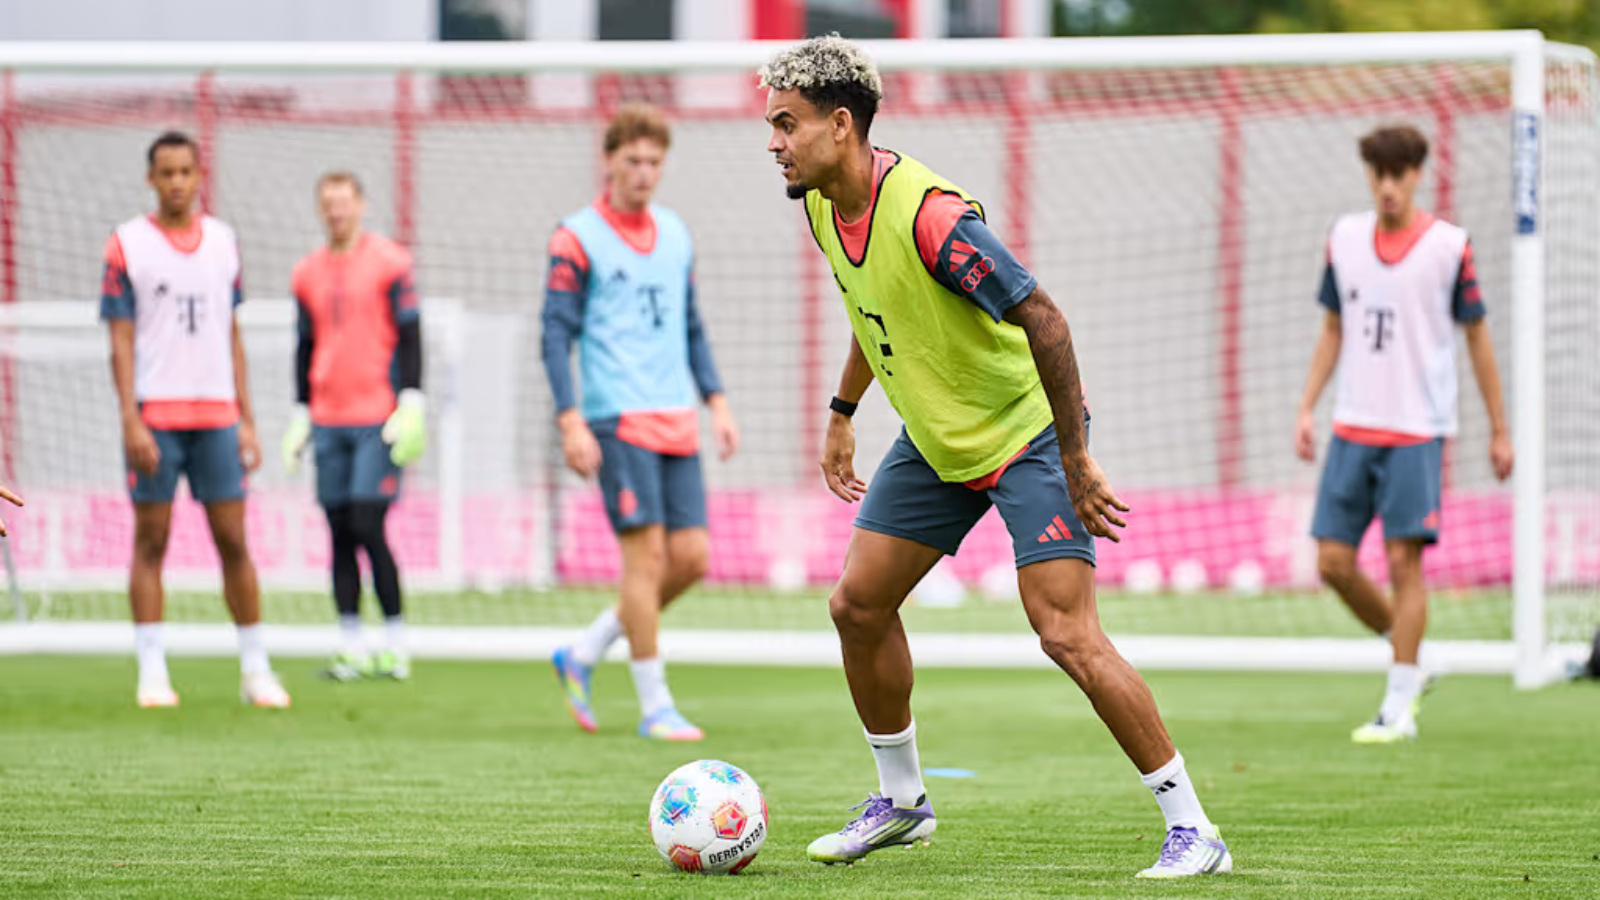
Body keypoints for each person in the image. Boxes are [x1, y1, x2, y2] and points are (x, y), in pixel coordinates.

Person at [759, 36, 1229, 878]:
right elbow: (876, 306)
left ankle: (1195, 829)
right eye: (771, 127)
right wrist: (842, 411)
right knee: (856, 606)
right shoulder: (822, 202)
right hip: (937, 443)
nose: (774, 143)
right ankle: (903, 803)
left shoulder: (934, 215)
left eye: (786, 124)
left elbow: (1044, 318)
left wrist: (1077, 457)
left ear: (840, 125)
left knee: (1065, 633)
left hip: (1025, 435)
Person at [1295, 124, 1513, 743]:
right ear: (1369, 175)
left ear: (1419, 174)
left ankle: (1398, 706)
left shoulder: (1451, 247)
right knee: (1334, 563)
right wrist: (1307, 407)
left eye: (1401, 173)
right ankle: (1413, 654)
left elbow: (1477, 337)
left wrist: (1499, 429)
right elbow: (1334, 328)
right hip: (1352, 426)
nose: (1389, 186)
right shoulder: (1344, 239)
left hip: (1418, 430)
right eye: (1379, 174)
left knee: (1402, 561)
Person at [544, 103, 740, 742]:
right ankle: (656, 704)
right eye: (632, 160)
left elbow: (691, 326)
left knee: (691, 557)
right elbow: (554, 333)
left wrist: (716, 402)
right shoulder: (575, 236)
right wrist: (569, 418)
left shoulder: (676, 234)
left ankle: (586, 648)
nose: (643, 172)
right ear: (609, 161)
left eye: (654, 161)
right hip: (615, 418)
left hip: (676, 416)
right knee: (646, 557)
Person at [101, 131, 290, 709]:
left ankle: (256, 668)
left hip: (217, 416)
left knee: (233, 539)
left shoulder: (224, 243)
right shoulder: (126, 245)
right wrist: (131, 419)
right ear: (150, 179)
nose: (177, 182)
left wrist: (249, 421)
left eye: (186, 171)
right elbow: (122, 339)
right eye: (166, 172)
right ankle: (152, 670)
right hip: (156, 415)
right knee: (151, 540)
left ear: (199, 174)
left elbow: (230, 333)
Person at [282, 172, 426, 682]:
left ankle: (395, 642)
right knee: (339, 530)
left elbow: (410, 334)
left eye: (345, 202)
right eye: (328, 204)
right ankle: (351, 645)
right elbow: (304, 345)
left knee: (369, 523)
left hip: (378, 419)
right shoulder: (306, 273)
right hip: (328, 420)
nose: (337, 211)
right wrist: (301, 411)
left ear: (361, 205)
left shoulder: (391, 263)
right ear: (321, 210)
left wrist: (410, 399)